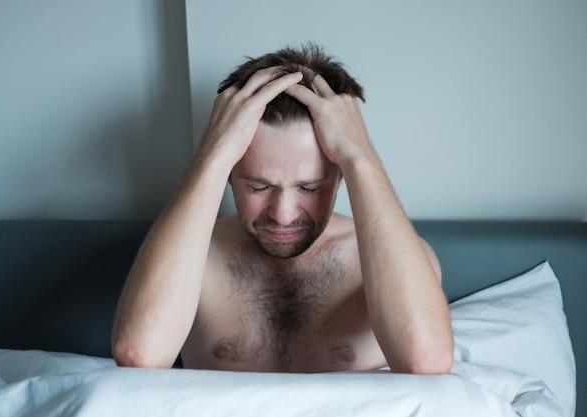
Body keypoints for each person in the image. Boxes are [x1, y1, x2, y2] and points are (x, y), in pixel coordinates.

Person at [112, 43, 454, 374]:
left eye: (309, 187)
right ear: (230, 175)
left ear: (340, 178)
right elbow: (140, 355)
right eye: (258, 186)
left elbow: (425, 361)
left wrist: (360, 157)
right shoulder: (196, 253)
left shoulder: (395, 259)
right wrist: (212, 155)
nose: (283, 215)